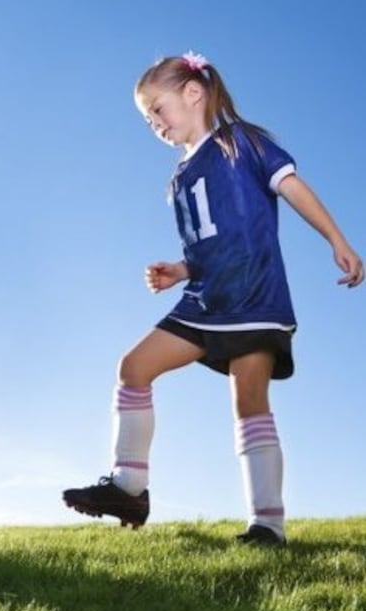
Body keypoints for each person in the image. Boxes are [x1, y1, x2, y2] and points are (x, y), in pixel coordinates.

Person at [62, 52, 363, 546]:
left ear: (193, 93)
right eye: (147, 118)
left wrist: (337, 239)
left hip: (254, 296)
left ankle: (268, 524)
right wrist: (180, 270)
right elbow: (208, 243)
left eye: (158, 109)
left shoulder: (239, 143)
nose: (154, 123)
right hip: (205, 300)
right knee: (133, 367)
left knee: (249, 403)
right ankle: (129, 489)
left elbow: (292, 188)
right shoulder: (178, 180)